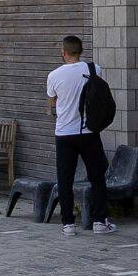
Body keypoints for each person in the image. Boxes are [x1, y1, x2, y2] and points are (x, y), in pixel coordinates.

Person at [43, 36, 116, 236]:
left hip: (64, 134)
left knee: (65, 179)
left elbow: (51, 105)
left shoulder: (54, 75)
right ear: (80, 51)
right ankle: (100, 222)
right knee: (97, 176)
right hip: (89, 132)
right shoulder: (94, 69)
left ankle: (68, 224)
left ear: (63, 52)